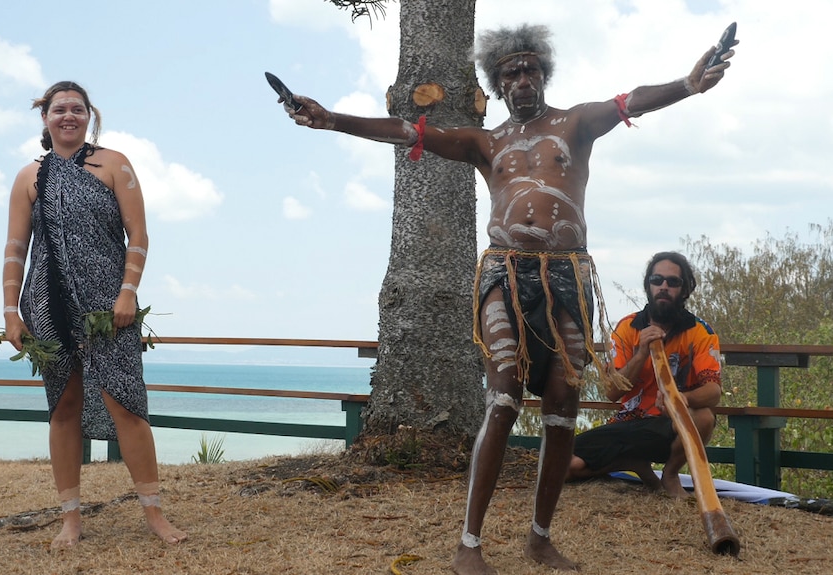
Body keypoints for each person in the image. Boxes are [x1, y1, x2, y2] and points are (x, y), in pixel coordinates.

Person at [277, 23, 735, 574]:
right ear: (497, 83)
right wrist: (333, 120)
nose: (522, 79)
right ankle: (468, 543)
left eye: (530, 69)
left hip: (567, 275)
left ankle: (539, 537)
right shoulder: (485, 143)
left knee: (564, 403)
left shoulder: (576, 124)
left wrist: (687, 84)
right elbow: (408, 129)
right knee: (503, 400)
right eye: (510, 73)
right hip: (505, 275)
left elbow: (631, 99)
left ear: (544, 74)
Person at [2, 81, 187, 548]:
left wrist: (128, 293)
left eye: (77, 109)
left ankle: (155, 515)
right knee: (63, 406)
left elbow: (139, 234)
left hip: (110, 306)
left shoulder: (115, 164)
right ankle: (71, 518)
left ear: (90, 116)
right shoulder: (29, 176)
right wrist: (10, 311)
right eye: (58, 109)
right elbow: (15, 249)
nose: (68, 116)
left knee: (126, 403)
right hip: (45, 305)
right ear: (44, 118)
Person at [567, 252, 722, 498]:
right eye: (657, 280)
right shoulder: (627, 328)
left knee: (703, 417)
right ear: (648, 285)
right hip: (630, 422)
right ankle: (634, 464)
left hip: (671, 425)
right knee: (566, 465)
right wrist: (640, 354)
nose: (663, 287)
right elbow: (611, 392)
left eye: (673, 282)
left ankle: (669, 474)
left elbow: (714, 392)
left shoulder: (700, 332)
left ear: (685, 290)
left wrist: (683, 398)